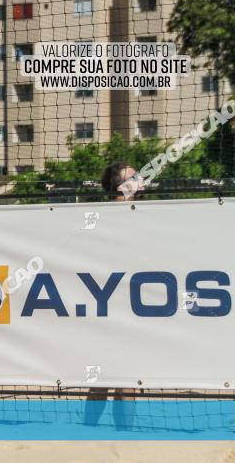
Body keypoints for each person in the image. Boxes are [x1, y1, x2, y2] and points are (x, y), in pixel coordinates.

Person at [83, 162, 144, 429]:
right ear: (121, 186)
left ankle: (102, 433)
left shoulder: (139, 212)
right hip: (110, 302)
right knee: (113, 379)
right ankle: (103, 434)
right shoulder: (115, 213)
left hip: (129, 302)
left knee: (117, 379)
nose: (141, 178)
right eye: (134, 177)